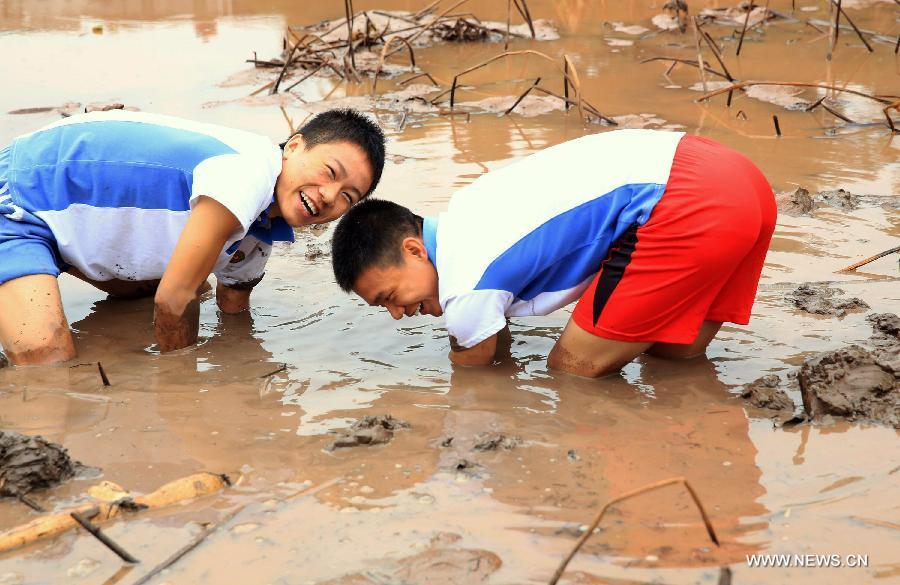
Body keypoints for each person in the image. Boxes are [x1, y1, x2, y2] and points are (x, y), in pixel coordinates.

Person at [330, 130, 775, 377]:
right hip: (736, 177)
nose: (398, 314)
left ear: (414, 250)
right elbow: (493, 338)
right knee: (672, 362)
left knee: (571, 371)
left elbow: (474, 383)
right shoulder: (469, 209)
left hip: (686, 201)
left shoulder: (465, 286)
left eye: (389, 296)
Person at [0, 108, 385, 365]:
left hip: (68, 210)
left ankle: (52, 263)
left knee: (182, 284)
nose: (329, 196)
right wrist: (182, 383)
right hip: (20, 191)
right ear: (295, 146)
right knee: (47, 358)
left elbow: (234, 310)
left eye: (347, 197)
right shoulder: (246, 175)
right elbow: (174, 299)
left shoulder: (264, 228)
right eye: (330, 172)